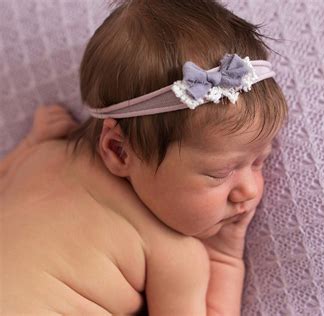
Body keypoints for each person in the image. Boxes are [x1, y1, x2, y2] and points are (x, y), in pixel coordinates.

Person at [0, 0, 287, 314]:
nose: (250, 190)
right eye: (220, 173)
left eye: (259, 161)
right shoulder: (174, 254)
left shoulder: (43, 155)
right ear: (119, 150)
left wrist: (32, 140)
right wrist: (225, 256)